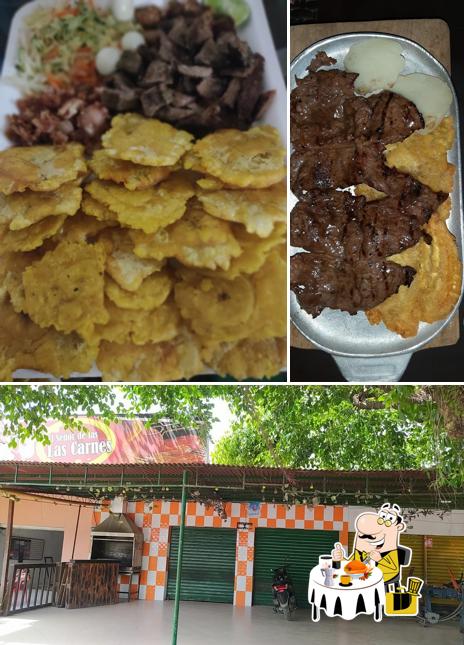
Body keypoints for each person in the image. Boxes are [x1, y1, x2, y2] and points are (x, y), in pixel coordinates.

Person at [332, 503, 411, 586]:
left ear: (398, 527)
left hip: (383, 586)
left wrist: (380, 560)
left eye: (388, 521)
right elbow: (351, 566)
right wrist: (340, 559)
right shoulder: (361, 552)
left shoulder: (390, 552)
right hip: (363, 585)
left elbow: (393, 570)